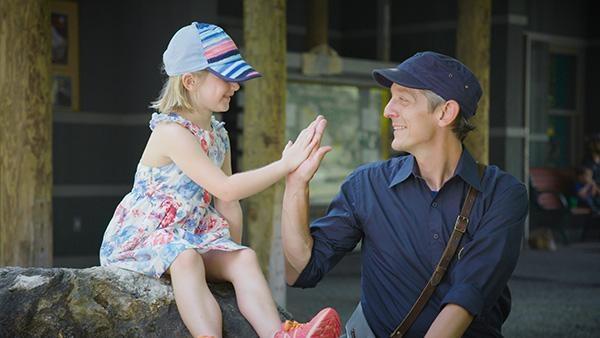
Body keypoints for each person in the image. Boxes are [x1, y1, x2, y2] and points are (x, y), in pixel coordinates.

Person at [99, 22, 341, 338]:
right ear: (189, 81)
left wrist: (228, 250)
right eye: (226, 78)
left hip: (193, 234)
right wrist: (284, 165)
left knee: (244, 257)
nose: (236, 86)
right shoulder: (171, 132)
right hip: (149, 237)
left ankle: (280, 334)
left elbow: (228, 202)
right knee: (185, 260)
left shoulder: (218, 135)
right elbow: (224, 187)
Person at [281, 51, 528, 337]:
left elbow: (466, 298)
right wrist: (296, 185)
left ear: (445, 113)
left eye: (403, 100)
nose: (388, 111)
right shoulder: (367, 185)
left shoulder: (503, 194)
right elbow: (301, 270)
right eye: (391, 98)